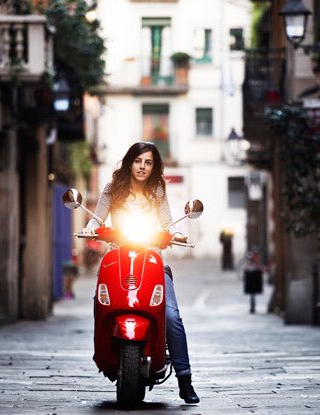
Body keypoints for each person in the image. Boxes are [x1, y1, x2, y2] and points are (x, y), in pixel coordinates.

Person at [86, 141, 199, 404]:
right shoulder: (113, 187)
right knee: (100, 303)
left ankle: (185, 378)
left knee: (170, 315)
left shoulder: (157, 189)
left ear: (154, 166)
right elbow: (98, 217)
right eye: (138, 161)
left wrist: (176, 233)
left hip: (152, 258)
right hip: (118, 257)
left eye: (148, 162)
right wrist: (91, 226)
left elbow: (166, 222)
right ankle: (104, 353)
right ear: (130, 162)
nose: (142, 167)